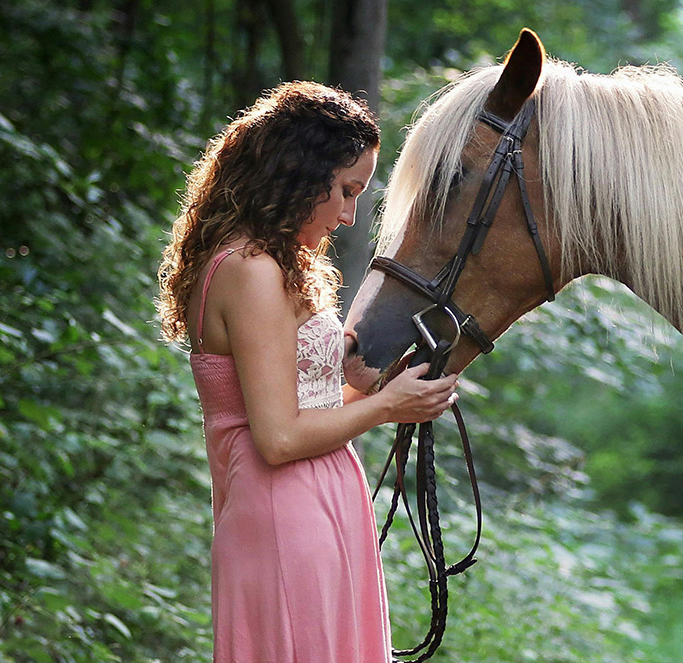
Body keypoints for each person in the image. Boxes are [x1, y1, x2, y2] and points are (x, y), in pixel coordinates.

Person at [155, 81, 458, 662]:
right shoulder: (249, 271)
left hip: (317, 500)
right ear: (298, 172)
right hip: (283, 511)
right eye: (346, 192)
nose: (348, 215)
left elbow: (302, 412)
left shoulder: (266, 264)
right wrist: (388, 407)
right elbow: (277, 438)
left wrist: (378, 388)